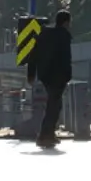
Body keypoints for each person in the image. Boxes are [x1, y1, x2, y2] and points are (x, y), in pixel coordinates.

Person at [26, 9, 73, 149]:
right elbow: (66, 58)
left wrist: (31, 74)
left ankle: (49, 134)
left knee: (54, 105)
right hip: (57, 76)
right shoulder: (64, 36)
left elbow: (33, 55)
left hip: (45, 75)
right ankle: (44, 136)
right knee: (54, 106)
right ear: (66, 22)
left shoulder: (44, 35)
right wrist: (67, 75)